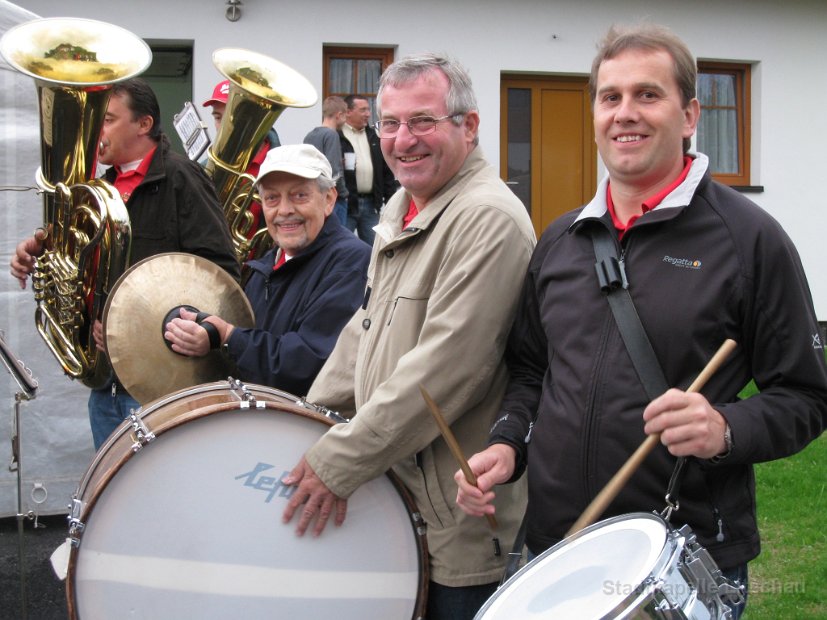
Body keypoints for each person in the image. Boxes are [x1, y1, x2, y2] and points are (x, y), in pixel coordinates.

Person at [455, 23, 827, 620]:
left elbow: (807, 397)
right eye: (611, 97)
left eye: (648, 95)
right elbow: (532, 372)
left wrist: (725, 428)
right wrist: (506, 443)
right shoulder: (560, 239)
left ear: (689, 115)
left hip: (677, 564)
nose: (625, 113)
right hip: (557, 549)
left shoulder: (750, 240)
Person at [280, 54, 536, 620]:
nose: (402, 140)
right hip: (398, 495)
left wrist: (338, 460)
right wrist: (303, 420)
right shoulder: (404, 205)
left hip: (460, 520)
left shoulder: (487, 218)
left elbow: (446, 369)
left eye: (423, 121)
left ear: (468, 127)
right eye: (390, 124)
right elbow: (363, 332)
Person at [11, 77, 239, 451]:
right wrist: (40, 249)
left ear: (144, 124)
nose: (96, 132)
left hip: (157, 384)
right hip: (106, 382)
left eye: (108, 120)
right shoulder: (100, 188)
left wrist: (134, 327)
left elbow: (220, 274)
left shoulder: (182, 177)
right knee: (114, 496)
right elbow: (81, 259)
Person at [163, 144, 370, 395]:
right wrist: (206, 333)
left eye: (299, 196)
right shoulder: (271, 260)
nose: (284, 210)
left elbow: (305, 365)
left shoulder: (351, 262)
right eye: (272, 198)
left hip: (305, 427)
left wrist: (228, 336)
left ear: (328, 200)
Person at [202, 79, 281, 242]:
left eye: (234, 117)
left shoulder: (281, 166)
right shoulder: (203, 169)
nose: (224, 127)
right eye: (218, 118)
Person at [339, 94, 396, 245]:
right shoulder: (337, 135)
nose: (368, 114)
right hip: (347, 203)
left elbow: (386, 171)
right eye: (363, 110)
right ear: (348, 111)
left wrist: (391, 199)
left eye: (368, 109)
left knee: (376, 248)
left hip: (371, 204)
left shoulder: (374, 135)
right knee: (340, 247)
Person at [304, 96, 349, 227]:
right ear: (339, 115)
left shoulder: (310, 135)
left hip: (315, 194)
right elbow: (334, 171)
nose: (346, 120)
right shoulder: (332, 135)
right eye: (345, 115)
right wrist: (343, 193)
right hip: (333, 198)